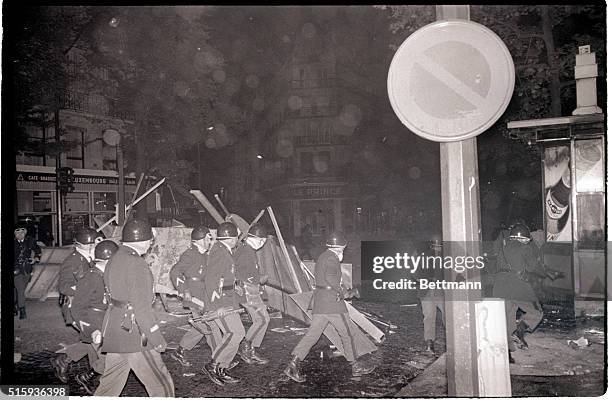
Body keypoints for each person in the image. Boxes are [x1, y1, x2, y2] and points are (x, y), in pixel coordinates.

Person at [94, 219, 174, 397]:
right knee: (161, 384)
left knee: (109, 386)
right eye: (150, 240)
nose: (150, 244)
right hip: (134, 333)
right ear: (145, 240)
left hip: (114, 330)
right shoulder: (137, 264)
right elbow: (142, 309)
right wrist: (157, 339)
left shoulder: (114, 259)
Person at [283, 231, 375, 382]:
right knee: (347, 333)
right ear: (339, 247)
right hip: (332, 303)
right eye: (343, 249)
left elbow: (325, 279)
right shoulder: (332, 258)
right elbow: (331, 278)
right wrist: (345, 291)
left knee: (312, 335)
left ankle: (293, 365)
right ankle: (355, 365)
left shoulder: (323, 256)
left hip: (320, 302)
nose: (343, 251)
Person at [492, 223, 553, 364]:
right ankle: (519, 332)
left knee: (506, 319)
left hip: (500, 286)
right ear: (523, 238)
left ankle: (506, 354)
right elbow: (533, 267)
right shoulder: (525, 247)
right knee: (536, 312)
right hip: (518, 286)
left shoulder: (503, 247)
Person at [168, 225, 223, 367]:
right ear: (201, 239)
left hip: (204, 296)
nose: (210, 241)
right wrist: (184, 290)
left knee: (202, 326)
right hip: (195, 296)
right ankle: (220, 359)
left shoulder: (204, 254)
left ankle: (180, 351)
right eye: (208, 238)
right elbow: (175, 272)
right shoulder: (190, 254)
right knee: (212, 325)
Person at [71, 240, 118, 394]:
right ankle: (87, 377)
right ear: (108, 261)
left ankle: (94, 382)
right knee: (110, 359)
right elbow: (77, 308)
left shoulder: (106, 275)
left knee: (102, 358)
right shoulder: (91, 277)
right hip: (95, 323)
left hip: (106, 321)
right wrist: (91, 330)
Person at [51, 227, 98, 383]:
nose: (95, 246)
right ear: (83, 245)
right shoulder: (73, 260)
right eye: (92, 244)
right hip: (75, 308)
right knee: (96, 340)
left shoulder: (88, 258)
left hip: (89, 307)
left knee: (93, 339)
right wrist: (85, 289)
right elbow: (64, 286)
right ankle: (96, 377)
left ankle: (64, 359)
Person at [201, 222, 245, 386]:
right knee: (234, 333)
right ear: (232, 238)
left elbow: (224, 276)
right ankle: (213, 366)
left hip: (228, 298)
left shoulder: (223, 250)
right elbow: (211, 280)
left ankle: (222, 368)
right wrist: (217, 305)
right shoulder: (220, 251)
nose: (237, 240)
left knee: (237, 333)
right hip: (220, 301)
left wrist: (235, 286)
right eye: (237, 237)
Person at [234, 223, 270, 365]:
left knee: (263, 320)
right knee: (262, 320)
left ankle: (252, 349)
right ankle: (246, 347)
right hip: (248, 292)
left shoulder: (246, 249)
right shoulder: (246, 251)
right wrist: (259, 279)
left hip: (250, 290)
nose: (262, 244)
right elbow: (237, 271)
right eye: (262, 241)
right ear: (258, 239)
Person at [418, 235, 445, 354]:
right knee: (429, 317)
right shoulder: (423, 257)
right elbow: (414, 273)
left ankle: (452, 341)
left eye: (439, 246)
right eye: (435, 246)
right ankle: (429, 344)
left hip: (441, 290)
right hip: (426, 290)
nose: (437, 249)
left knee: (448, 315)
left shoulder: (447, 258)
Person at [14, 223, 42, 319]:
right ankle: (22, 310)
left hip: (27, 268)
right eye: (17, 232)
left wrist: (35, 258)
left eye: (22, 232)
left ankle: (15, 304)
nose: (20, 234)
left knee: (19, 289)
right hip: (15, 269)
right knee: (20, 289)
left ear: (25, 232)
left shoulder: (30, 241)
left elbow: (38, 250)